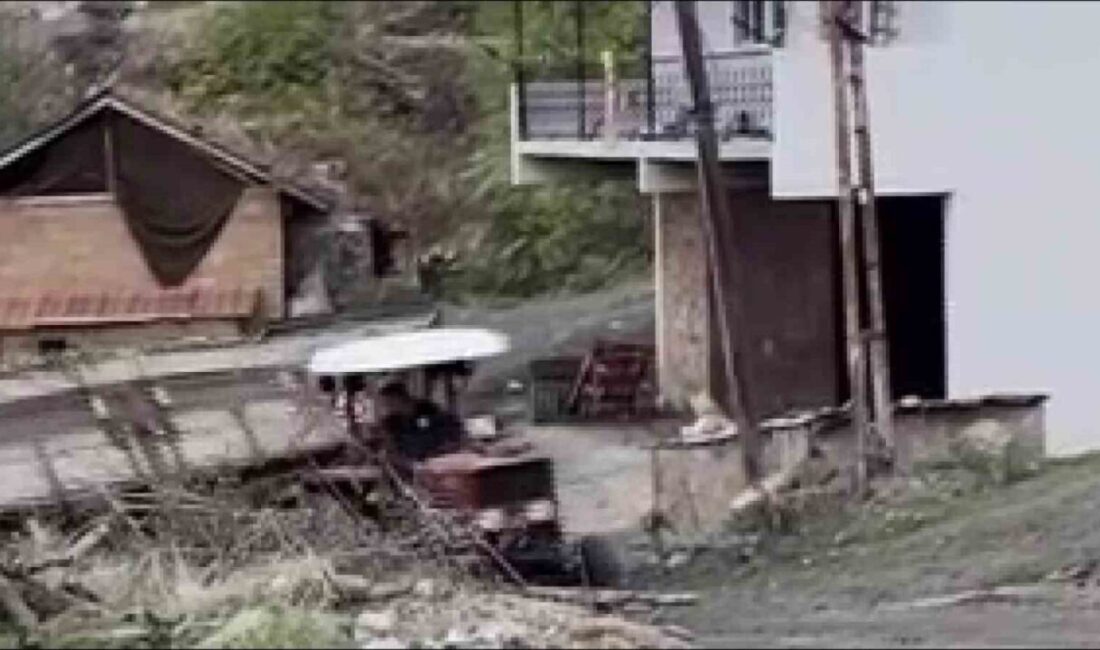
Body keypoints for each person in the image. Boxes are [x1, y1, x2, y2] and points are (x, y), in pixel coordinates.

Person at [374, 380, 464, 472]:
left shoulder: (429, 410)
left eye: (389, 402)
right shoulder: (391, 422)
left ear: (399, 397)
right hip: (410, 467)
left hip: (438, 461)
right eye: (386, 404)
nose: (388, 407)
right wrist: (409, 463)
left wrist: (445, 450)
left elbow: (451, 430)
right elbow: (391, 450)